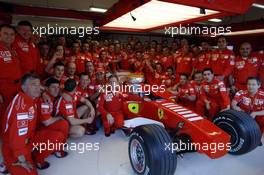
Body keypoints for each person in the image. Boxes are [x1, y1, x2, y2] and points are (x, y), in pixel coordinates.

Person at [2, 74, 64, 175]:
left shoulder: (29, 96)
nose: (38, 87)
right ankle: (8, 163)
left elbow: (42, 88)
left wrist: (43, 93)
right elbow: (16, 141)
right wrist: (23, 161)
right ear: (23, 87)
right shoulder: (21, 109)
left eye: (38, 84)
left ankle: (36, 159)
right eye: (33, 85)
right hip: (14, 149)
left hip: (29, 140)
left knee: (58, 136)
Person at [37, 78, 69, 157]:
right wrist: (59, 117)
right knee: (61, 128)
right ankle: (40, 160)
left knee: (64, 123)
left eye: (58, 87)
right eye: (53, 87)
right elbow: (47, 122)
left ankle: (59, 146)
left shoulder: (50, 96)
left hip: (43, 126)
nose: (56, 90)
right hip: (36, 130)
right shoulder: (45, 100)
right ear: (47, 88)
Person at [0, 24, 22, 114]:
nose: (9, 36)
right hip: (3, 90)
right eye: (6, 33)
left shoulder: (13, 50)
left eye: (12, 34)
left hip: (16, 89)